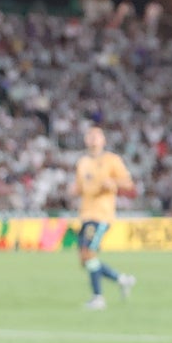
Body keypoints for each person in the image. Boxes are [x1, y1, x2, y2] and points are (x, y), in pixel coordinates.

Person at [68, 126, 136, 310]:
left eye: (96, 136)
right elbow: (79, 187)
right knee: (85, 258)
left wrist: (112, 183)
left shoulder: (111, 160)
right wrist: (73, 190)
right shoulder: (82, 162)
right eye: (89, 136)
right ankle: (122, 280)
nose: (92, 139)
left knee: (89, 253)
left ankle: (98, 297)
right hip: (85, 213)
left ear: (103, 140)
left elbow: (128, 183)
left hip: (101, 214)